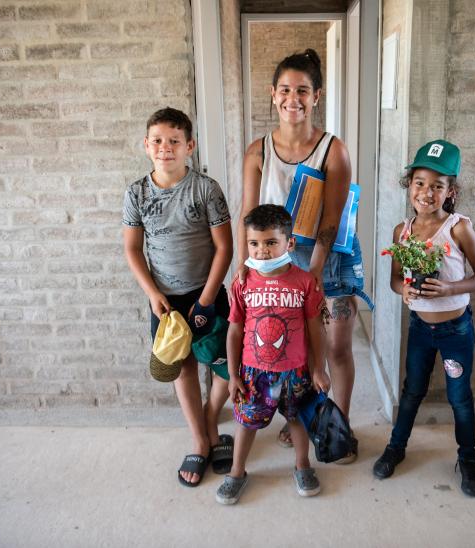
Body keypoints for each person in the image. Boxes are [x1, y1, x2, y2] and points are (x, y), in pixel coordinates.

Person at [236, 49, 372, 461]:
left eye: (302, 90)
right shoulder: (258, 150)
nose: (292, 98)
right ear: (273, 94)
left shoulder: (334, 150)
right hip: (276, 261)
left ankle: (337, 427)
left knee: (336, 348)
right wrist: (244, 267)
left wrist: (314, 271)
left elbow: (331, 218)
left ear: (316, 97)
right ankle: (302, 416)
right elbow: (248, 212)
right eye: (285, 90)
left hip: (326, 258)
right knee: (297, 350)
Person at [372, 139, 475, 497]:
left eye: (437, 186)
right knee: (411, 392)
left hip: (456, 330)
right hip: (420, 329)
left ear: (450, 191)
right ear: (409, 186)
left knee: (459, 397)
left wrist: (450, 289)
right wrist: (403, 291)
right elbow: (395, 279)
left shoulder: (458, 228)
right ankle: (396, 446)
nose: (427, 192)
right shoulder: (402, 231)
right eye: (420, 183)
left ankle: (468, 458)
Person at [122, 107, 234, 487]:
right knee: (183, 366)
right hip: (165, 301)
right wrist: (152, 294)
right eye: (157, 141)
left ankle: (210, 414)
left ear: (190, 146)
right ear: (146, 145)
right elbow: (133, 251)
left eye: (174, 141)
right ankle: (203, 439)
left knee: (223, 366)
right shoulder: (136, 192)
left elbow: (225, 249)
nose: (165, 148)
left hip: (208, 292)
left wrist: (205, 299)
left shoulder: (206, 189)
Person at [216, 204, 330, 505]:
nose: (262, 251)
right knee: (246, 422)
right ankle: (237, 472)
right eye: (254, 243)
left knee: (297, 420)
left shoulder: (305, 283)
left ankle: (303, 465)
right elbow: (235, 331)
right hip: (254, 373)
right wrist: (233, 374)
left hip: (297, 371)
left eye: (270, 242)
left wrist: (319, 369)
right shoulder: (243, 283)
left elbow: (316, 329)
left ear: (288, 243)